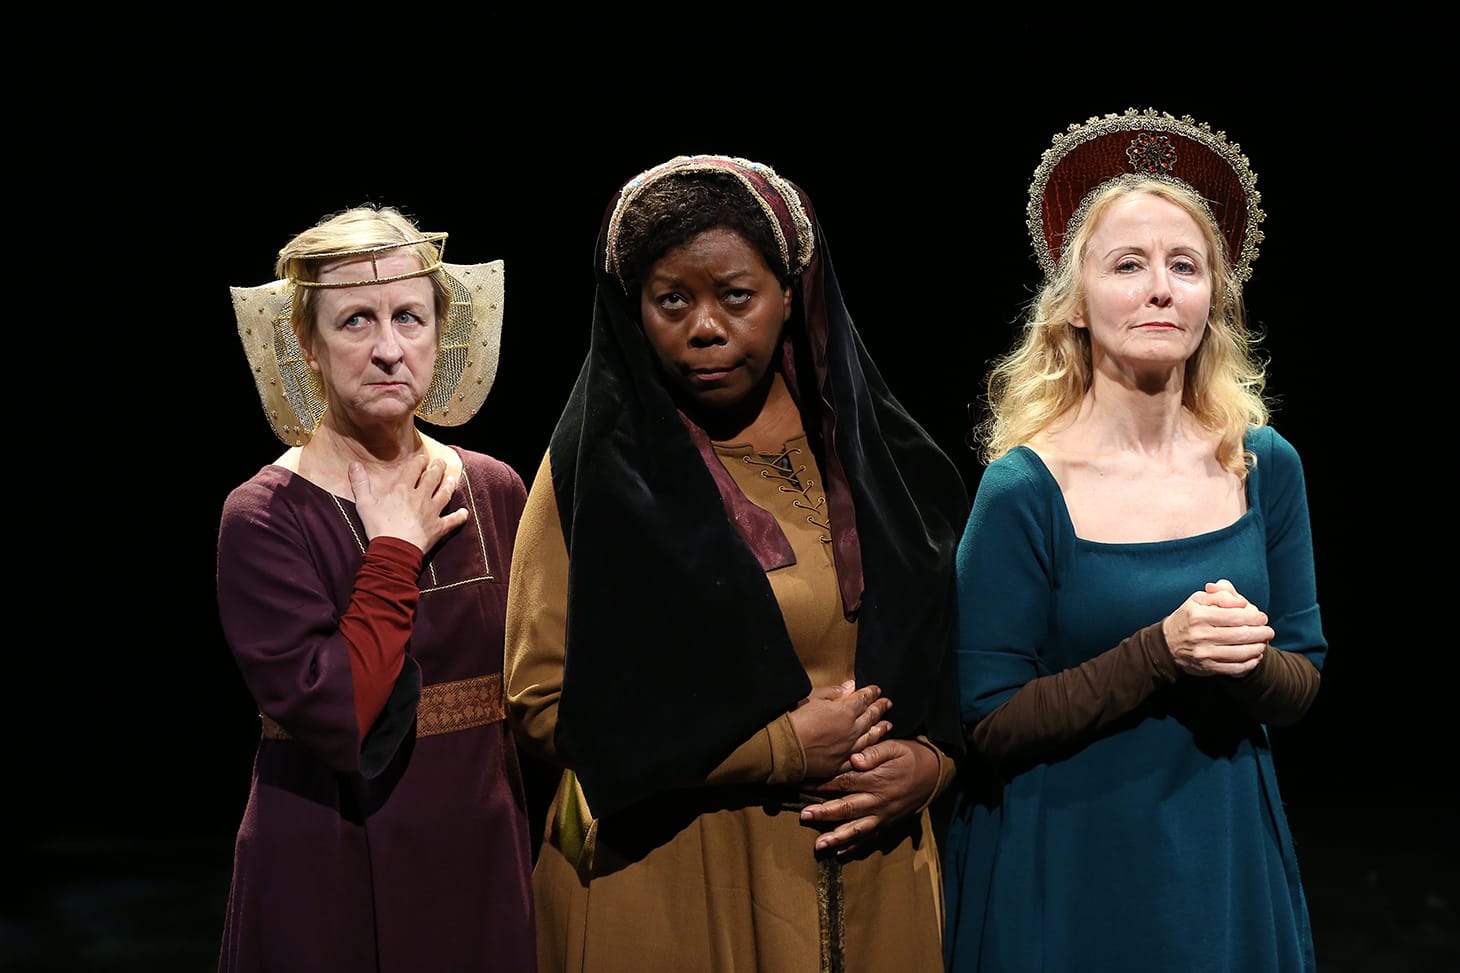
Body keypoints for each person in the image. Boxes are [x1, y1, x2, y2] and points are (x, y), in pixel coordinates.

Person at [503, 154, 969, 972]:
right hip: (682, 880)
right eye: (672, 300)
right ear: (634, 307)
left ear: (790, 294)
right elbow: (542, 702)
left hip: (875, 877)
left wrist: (933, 764)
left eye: (736, 296)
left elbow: (957, 654)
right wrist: (780, 747)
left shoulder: (881, 458)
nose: (706, 327)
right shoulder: (600, 474)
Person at [940, 109, 1327, 972]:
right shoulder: (1025, 488)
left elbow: (1301, 679)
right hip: (1066, 862)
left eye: (1184, 266)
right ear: (1075, 303)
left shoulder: (1263, 466)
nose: (1160, 289)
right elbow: (986, 719)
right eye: (1128, 265)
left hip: (1221, 854)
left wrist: (1244, 661)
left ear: (1212, 298)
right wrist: (1162, 650)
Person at [218, 205, 536, 971]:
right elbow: (341, 710)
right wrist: (392, 550)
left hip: (478, 861)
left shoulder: (493, 487)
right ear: (308, 343)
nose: (390, 348)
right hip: (329, 863)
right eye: (356, 320)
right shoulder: (265, 514)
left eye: (409, 317)